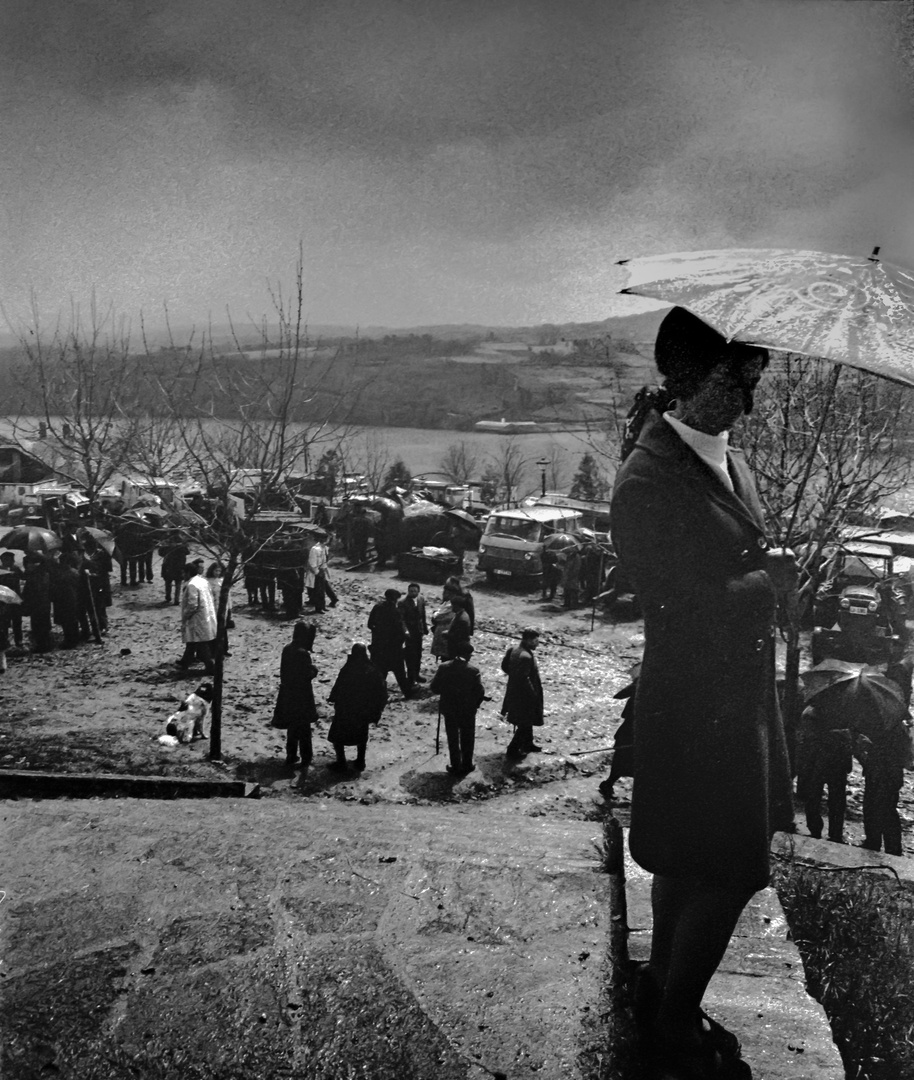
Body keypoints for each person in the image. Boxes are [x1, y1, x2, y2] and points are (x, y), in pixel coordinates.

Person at [610, 306, 796, 1079]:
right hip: (694, 705)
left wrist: (758, 574)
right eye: (733, 381)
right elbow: (676, 602)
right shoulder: (647, 479)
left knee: (693, 863)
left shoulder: (726, 458)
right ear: (687, 381)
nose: (746, 402)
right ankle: (674, 1026)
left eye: (753, 381)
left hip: (736, 698)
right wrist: (768, 584)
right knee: (729, 869)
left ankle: (663, 995)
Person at [327, 641, 388, 771]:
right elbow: (381, 692)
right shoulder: (372, 670)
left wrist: (334, 699)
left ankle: (341, 761)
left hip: (346, 709)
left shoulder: (348, 669)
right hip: (362, 711)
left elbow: (338, 687)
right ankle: (360, 761)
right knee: (361, 737)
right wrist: (376, 711)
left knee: (338, 736)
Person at [795, 704, 852, 843]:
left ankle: (826, 831)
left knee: (821, 797)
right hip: (825, 761)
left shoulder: (811, 712)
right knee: (823, 797)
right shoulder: (814, 713)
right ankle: (828, 831)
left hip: (825, 761)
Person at [430, 640, 485, 776]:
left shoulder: (444, 667)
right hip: (467, 709)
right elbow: (479, 691)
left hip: (449, 707)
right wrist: (476, 705)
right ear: (467, 655)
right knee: (467, 737)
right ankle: (467, 764)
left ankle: (455, 765)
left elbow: (434, 687)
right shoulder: (473, 671)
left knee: (452, 737)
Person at [275, 621, 318, 770]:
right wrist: (314, 671)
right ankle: (306, 758)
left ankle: (291, 755)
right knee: (304, 729)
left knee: (292, 728)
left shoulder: (287, 649)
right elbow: (306, 675)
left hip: (288, 694)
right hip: (301, 696)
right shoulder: (302, 653)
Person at [500, 628, 544, 757]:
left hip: (514, 690)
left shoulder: (513, 650)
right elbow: (524, 678)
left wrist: (513, 675)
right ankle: (512, 750)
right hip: (524, 695)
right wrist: (532, 694)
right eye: (535, 641)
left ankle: (528, 743)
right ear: (528, 640)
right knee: (525, 722)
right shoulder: (526, 656)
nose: (537, 644)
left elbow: (504, 666)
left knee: (527, 719)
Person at [367, 587, 412, 696]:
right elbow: (399, 631)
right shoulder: (395, 612)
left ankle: (377, 694)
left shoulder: (377, 607)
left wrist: (377, 633)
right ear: (395, 599)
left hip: (378, 648)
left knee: (380, 673)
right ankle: (407, 692)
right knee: (400, 673)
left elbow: (370, 624)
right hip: (394, 649)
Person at [178, 561, 217, 674]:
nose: (183, 576)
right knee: (193, 642)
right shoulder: (203, 581)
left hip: (197, 618)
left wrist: (185, 616)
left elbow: (192, 605)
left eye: (184, 573)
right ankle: (185, 661)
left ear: (188, 572)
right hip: (206, 615)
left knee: (200, 643)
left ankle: (210, 666)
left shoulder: (191, 585)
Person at [22, 553, 53, 653]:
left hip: (37, 604)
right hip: (44, 603)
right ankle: (46, 644)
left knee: (38, 625)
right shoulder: (44, 574)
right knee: (44, 624)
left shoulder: (35, 577)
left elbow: (31, 591)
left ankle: (42, 646)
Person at [398, 582, 429, 684]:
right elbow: (401, 619)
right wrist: (405, 631)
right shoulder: (402, 602)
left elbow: (423, 614)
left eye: (415, 591)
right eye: (411, 591)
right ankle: (411, 677)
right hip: (409, 633)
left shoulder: (421, 599)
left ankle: (417, 674)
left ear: (418, 591)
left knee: (418, 653)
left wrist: (425, 627)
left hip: (418, 631)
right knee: (410, 655)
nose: (413, 593)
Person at [205, 562, 232, 657]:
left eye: (219, 571)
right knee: (213, 629)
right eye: (216, 570)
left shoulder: (223, 581)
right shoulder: (208, 582)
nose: (217, 572)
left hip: (222, 608)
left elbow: (228, 596)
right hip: (212, 608)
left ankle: (224, 649)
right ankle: (213, 650)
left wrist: (229, 609)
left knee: (223, 629)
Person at [0, 551, 24, 649]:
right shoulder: (1, 571)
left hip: (14, 599)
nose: (13, 561)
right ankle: (5, 642)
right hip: (4, 600)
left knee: (17, 622)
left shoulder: (16, 569)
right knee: (4, 623)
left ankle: (18, 641)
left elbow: (23, 577)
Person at [160, 538, 189, 606]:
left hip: (169, 568)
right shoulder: (182, 547)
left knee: (169, 584)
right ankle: (176, 599)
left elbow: (161, 553)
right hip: (178, 568)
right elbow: (188, 552)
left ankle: (169, 598)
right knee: (177, 584)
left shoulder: (168, 547)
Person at [305, 534, 329, 613]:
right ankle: (318, 608)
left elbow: (324, 560)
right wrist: (317, 572)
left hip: (321, 570)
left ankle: (322, 606)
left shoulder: (325, 548)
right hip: (316, 572)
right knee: (318, 591)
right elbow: (312, 563)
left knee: (322, 590)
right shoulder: (314, 549)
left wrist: (325, 570)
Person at [444, 594, 472, 658]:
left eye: (452, 605)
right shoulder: (460, 615)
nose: (451, 607)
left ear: (456, 606)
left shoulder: (462, 619)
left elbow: (459, 635)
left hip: (457, 647)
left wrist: (447, 634)